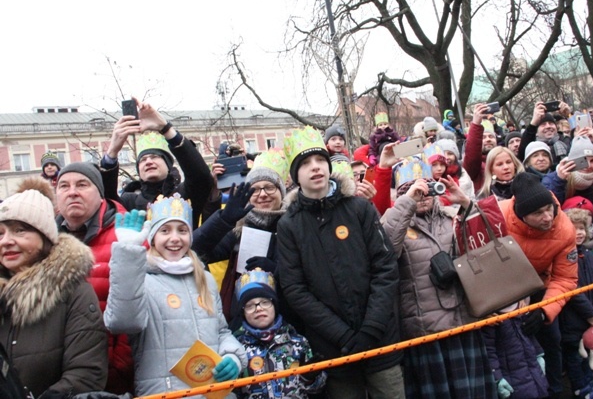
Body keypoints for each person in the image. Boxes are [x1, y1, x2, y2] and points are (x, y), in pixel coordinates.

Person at [278, 126, 404, 399]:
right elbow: (295, 289)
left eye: (320, 160)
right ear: (295, 175)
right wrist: (342, 335)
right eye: (306, 164)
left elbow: (385, 267)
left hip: (379, 338)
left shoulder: (359, 208)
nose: (315, 168)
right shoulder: (289, 225)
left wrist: (371, 327)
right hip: (335, 350)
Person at [104, 194, 247, 397]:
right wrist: (127, 255)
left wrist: (232, 355)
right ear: (152, 237)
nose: (174, 238)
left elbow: (221, 331)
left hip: (212, 392)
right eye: (165, 230)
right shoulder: (139, 278)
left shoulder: (204, 279)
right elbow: (122, 322)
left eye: (182, 230)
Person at [381, 176, 498, 398]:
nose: (423, 196)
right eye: (416, 190)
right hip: (425, 329)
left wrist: (464, 202)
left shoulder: (451, 217)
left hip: (463, 321)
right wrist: (408, 202)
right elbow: (386, 252)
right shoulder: (394, 220)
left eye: (428, 189)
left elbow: (488, 240)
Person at [0, 177, 108, 397]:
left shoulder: (74, 291)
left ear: (45, 237)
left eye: (20, 230)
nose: (6, 241)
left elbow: (86, 373)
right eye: (0, 233)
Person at [499, 172, 578, 398]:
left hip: (540, 290)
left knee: (552, 340)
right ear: (522, 215)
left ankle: (554, 391)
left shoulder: (564, 229)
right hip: (500, 291)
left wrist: (545, 311)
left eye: (549, 209)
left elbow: (566, 279)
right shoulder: (498, 215)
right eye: (537, 213)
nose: (547, 218)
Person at [54, 162, 132, 393]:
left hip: (116, 376)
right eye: (64, 186)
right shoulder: (45, 242)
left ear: (100, 194)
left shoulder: (127, 234)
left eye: (82, 184)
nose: (72, 192)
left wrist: (119, 366)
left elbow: (138, 304)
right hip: (63, 378)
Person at [192, 148, 290, 325]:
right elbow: (194, 250)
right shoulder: (239, 229)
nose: (262, 194)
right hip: (243, 322)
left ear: (281, 191)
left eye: (269, 187)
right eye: (255, 189)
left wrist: (278, 271)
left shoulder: (294, 224)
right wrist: (224, 220)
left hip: (290, 318)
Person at [100, 99, 213, 227]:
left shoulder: (184, 192)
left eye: (154, 157)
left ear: (168, 165)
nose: (148, 161)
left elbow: (201, 176)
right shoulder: (129, 202)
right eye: (142, 160)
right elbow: (105, 198)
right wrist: (112, 151)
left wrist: (165, 128)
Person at [233, 269, 327, 398]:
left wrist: (309, 378)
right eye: (250, 305)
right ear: (243, 313)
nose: (259, 308)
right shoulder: (236, 349)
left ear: (274, 306)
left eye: (265, 302)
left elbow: (317, 389)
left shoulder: (297, 342)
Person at [559, 209, 593, 398]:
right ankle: (582, 391)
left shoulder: (588, 255)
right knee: (576, 359)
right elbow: (571, 290)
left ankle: (591, 388)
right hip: (573, 322)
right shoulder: (564, 257)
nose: (579, 232)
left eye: (582, 228)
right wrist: (590, 314)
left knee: (590, 356)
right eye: (574, 228)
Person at [543, 135, 593, 233]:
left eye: (592, 161)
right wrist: (559, 180)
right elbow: (548, 207)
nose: (588, 166)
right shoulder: (553, 179)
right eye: (583, 160)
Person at [463, 103, 499, 192]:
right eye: (483, 137)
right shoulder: (474, 166)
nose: (488, 140)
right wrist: (476, 123)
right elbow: (473, 155)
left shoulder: (505, 158)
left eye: (491, 137)